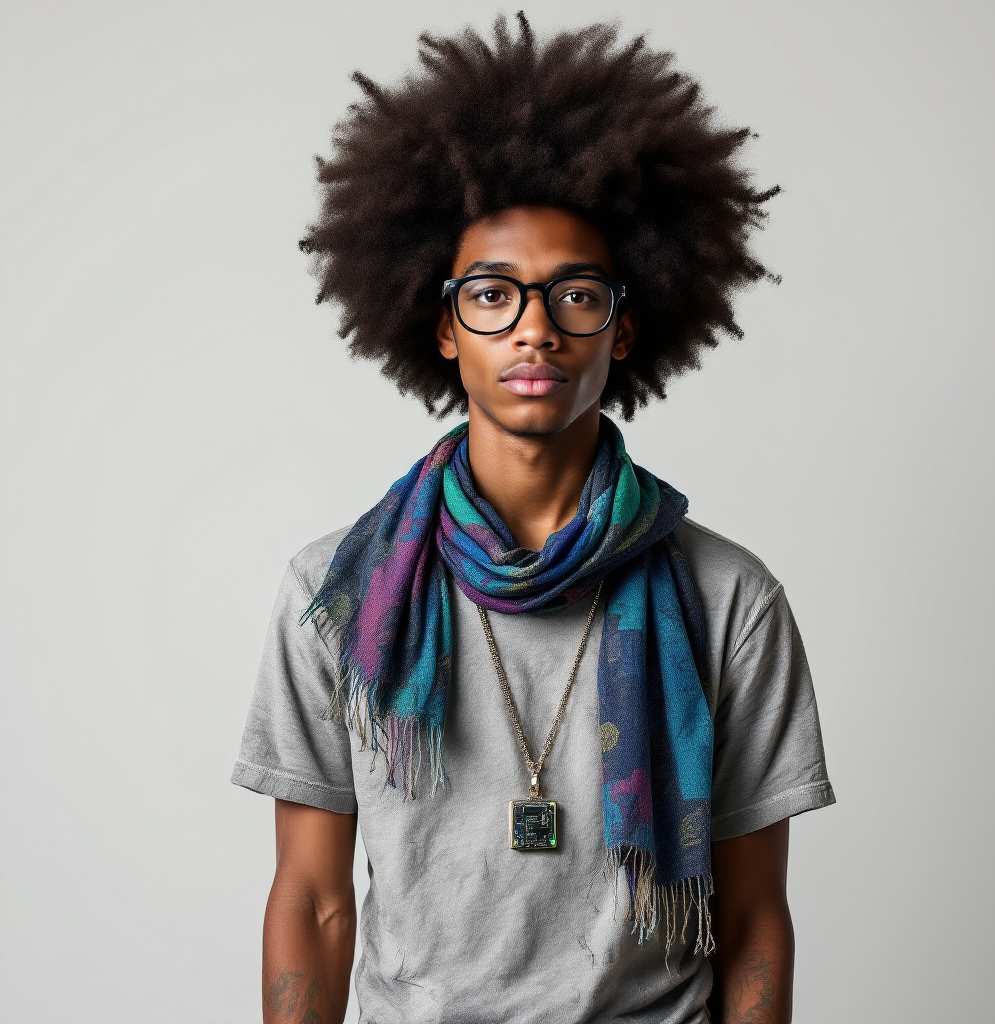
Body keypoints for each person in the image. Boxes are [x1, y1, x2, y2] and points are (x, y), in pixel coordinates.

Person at [232, 15, 834, 1024]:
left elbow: (754, 913)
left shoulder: (731, 599)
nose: (535, 327)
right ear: (442, 324)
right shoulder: (333, 592)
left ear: (626, 325)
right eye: (493, 294)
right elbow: (313, 897)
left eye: (575, 295)